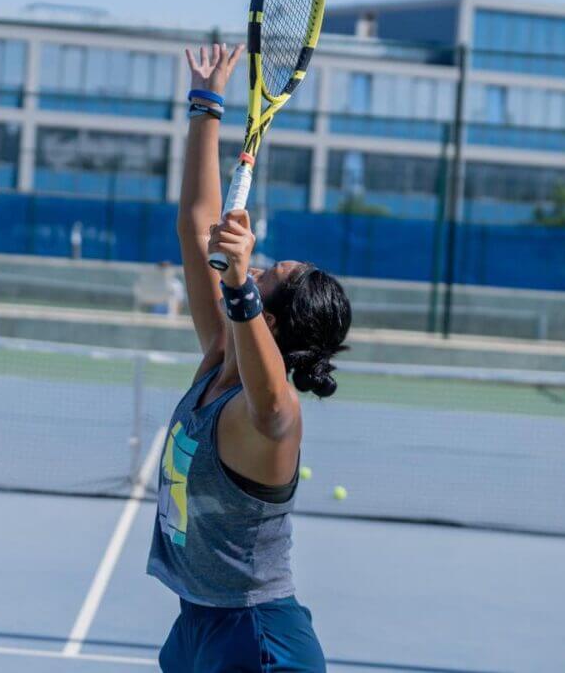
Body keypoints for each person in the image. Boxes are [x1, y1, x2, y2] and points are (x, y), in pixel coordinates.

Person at [147, 43, 351, 671]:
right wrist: (206, 103)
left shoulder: (272, 415)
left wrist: (238, 283)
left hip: (257, 641)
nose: (260, 264)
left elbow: (268, 398)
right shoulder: (218, 358)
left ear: (272, 315)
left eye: (271, 272)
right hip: (199, 621)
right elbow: (196, 222)